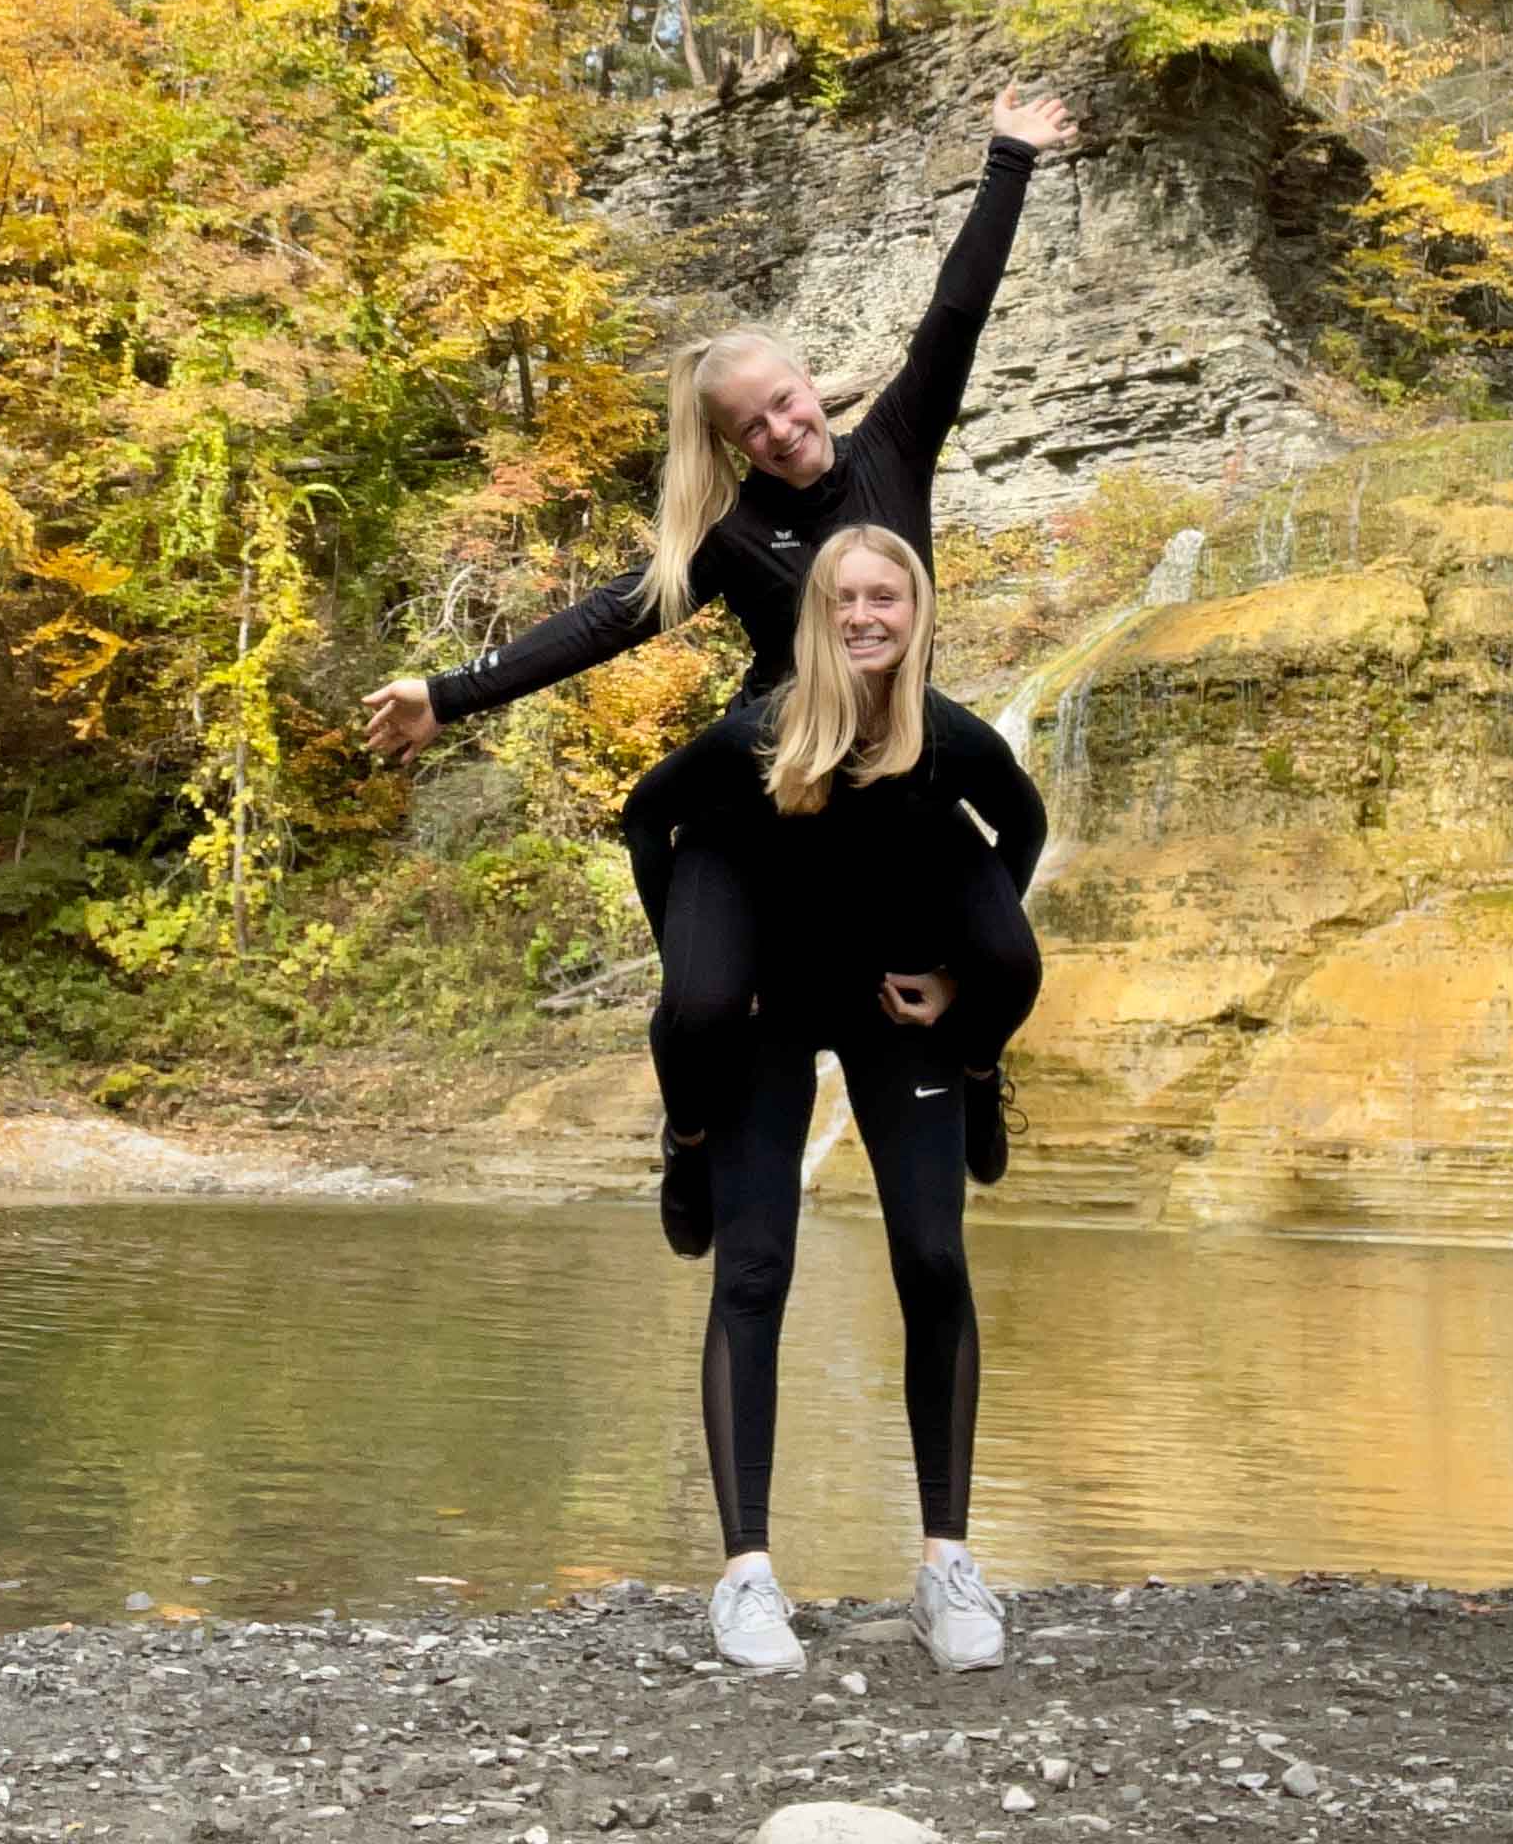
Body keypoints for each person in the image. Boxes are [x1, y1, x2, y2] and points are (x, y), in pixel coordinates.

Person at [364, 82, 1075, 1244]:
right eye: (754, 426)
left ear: (808, 384)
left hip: (905, 757)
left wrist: (1009, 157)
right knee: (702, 998)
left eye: (787, 404)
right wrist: (450, 692)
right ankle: (691, 1136)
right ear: (733, 441)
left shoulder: (895, 441)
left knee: (1000, 952)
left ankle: (980, 1068)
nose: (784, 431)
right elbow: (605, 620)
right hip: (784, 776)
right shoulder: (732, 532)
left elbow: (957, 313)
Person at [667, 524, 1044, 1677]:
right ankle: (745, 1577)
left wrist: (959, 976)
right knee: (755, 1269)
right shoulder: (755, 732)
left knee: (933, 1258)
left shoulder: (953, 736)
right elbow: (650, 817)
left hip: (894, 1012)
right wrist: (692, 971)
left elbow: (1021, 826)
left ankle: (946, 1566)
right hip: (768, 1016)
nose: (867, 615)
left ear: (916, 612)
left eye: (889, 596)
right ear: (815, 616)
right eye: (846, 597)